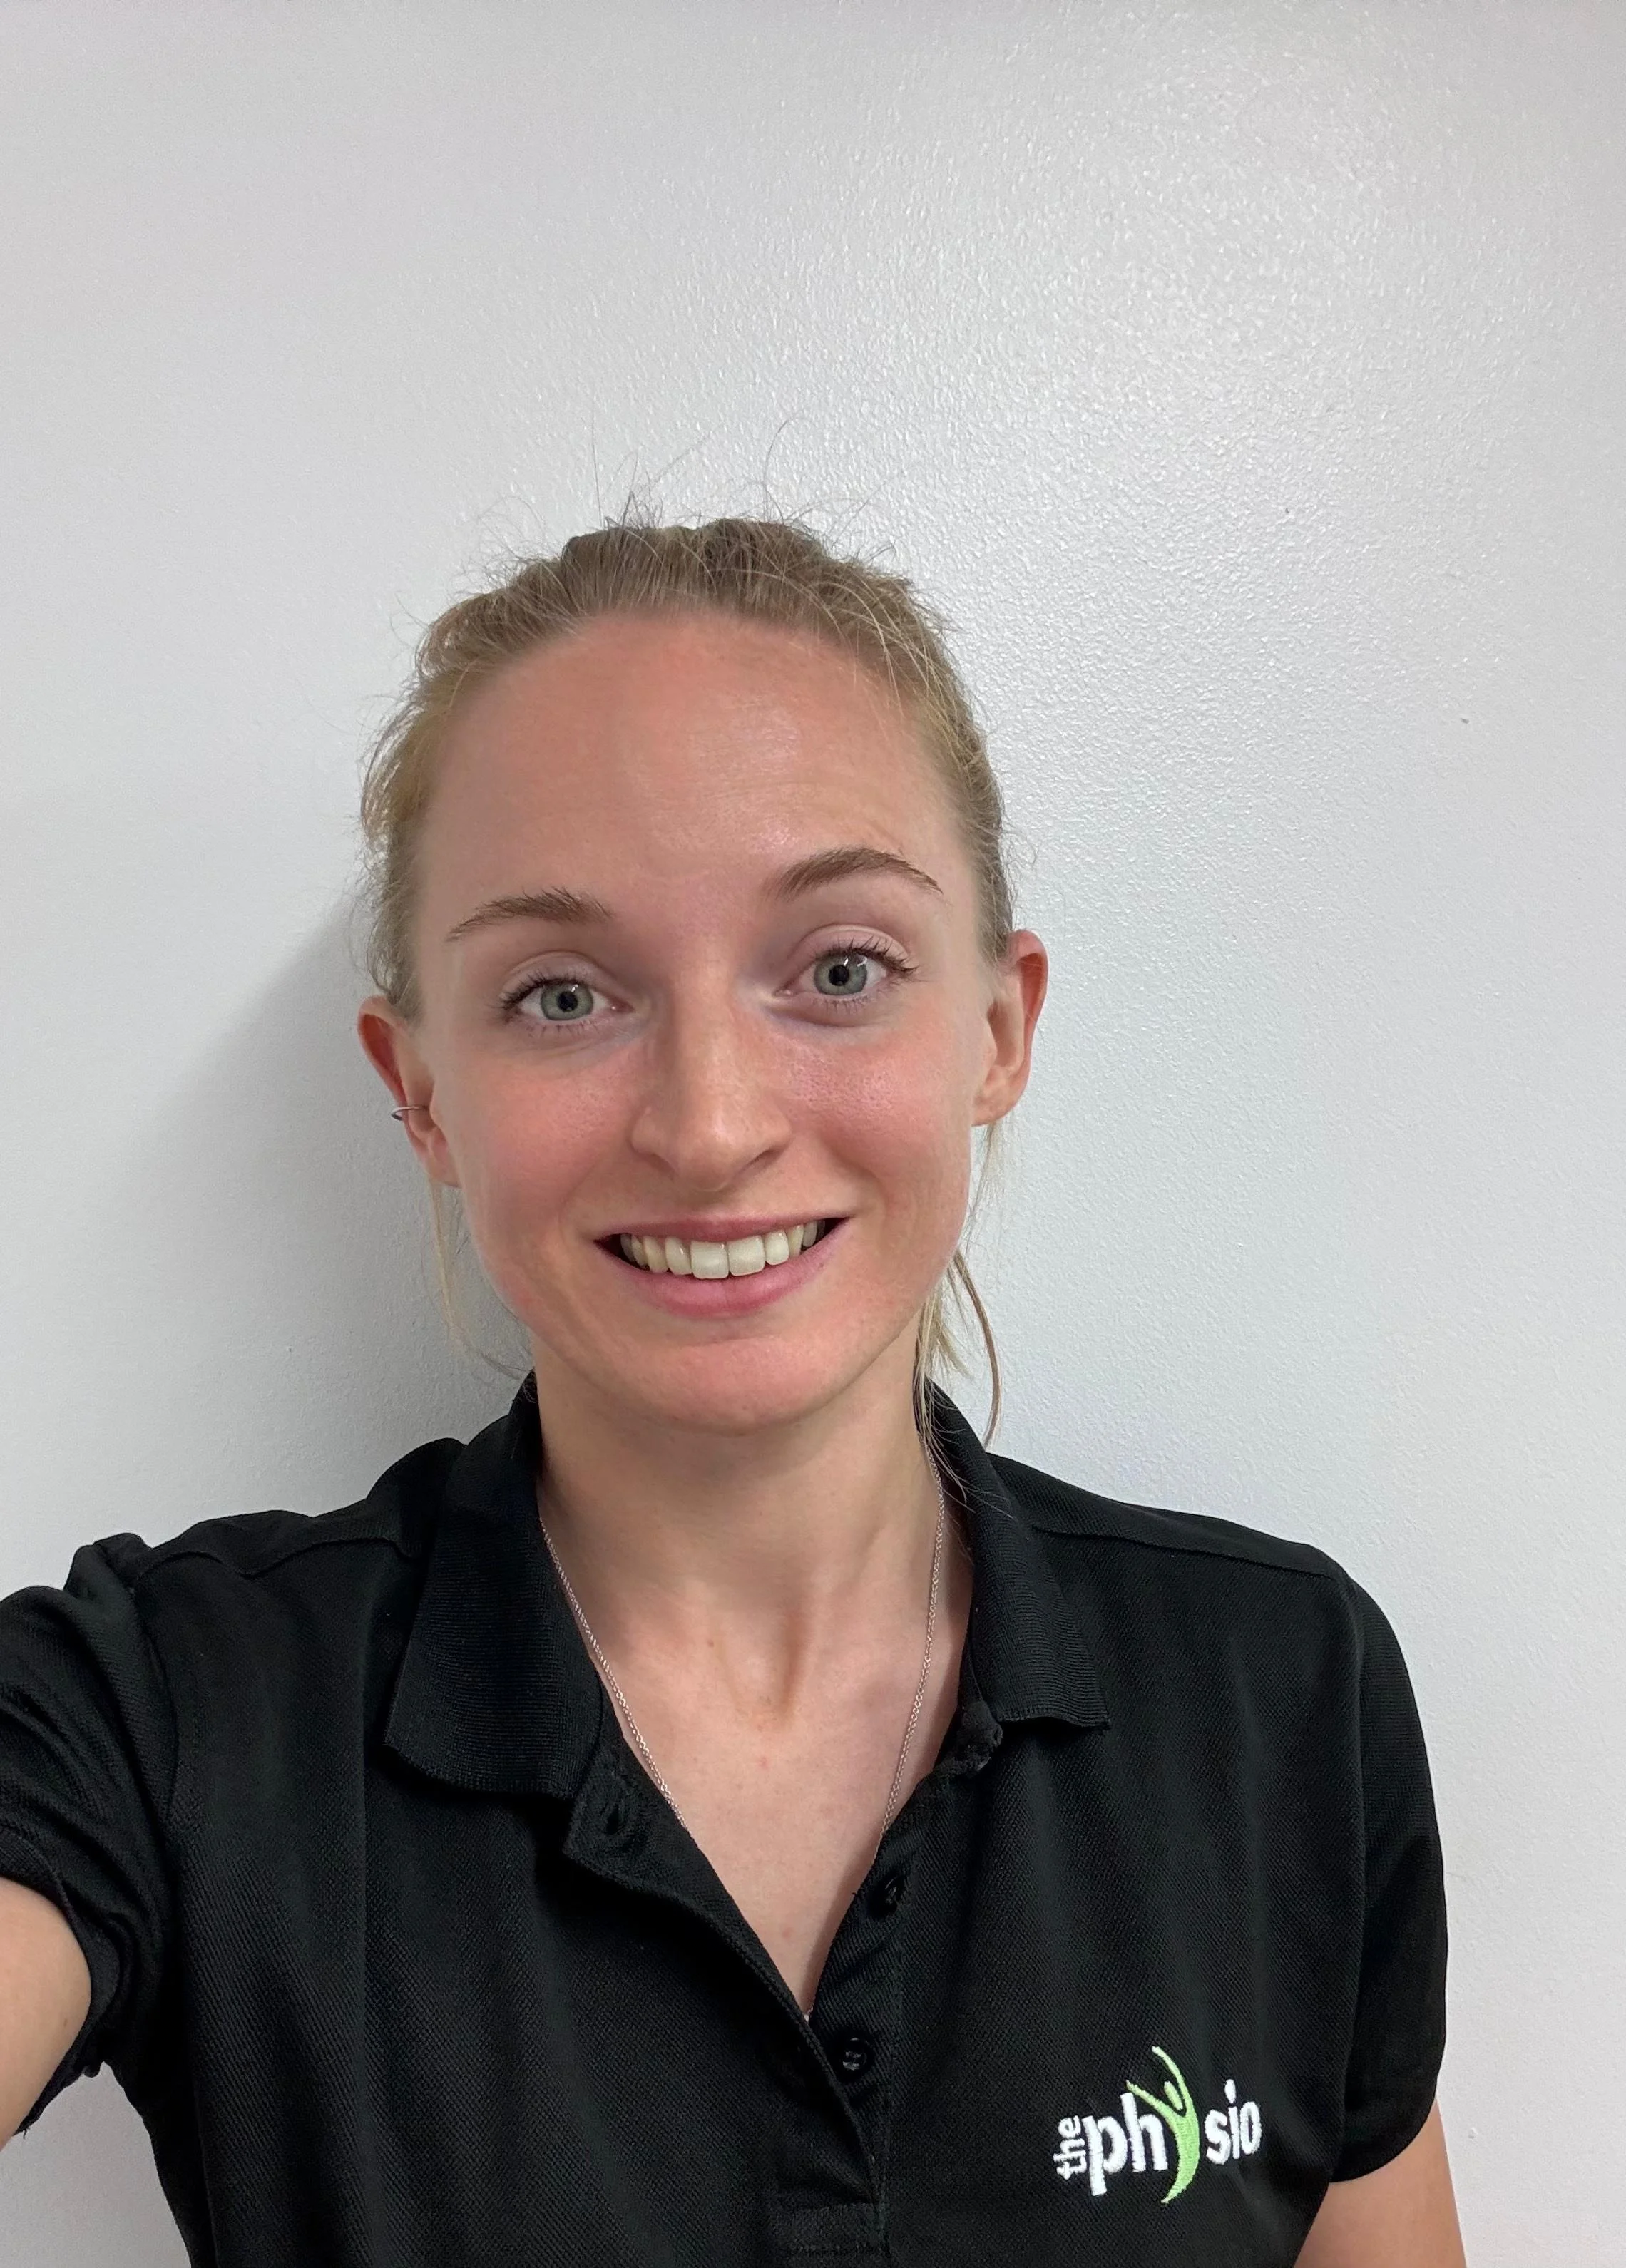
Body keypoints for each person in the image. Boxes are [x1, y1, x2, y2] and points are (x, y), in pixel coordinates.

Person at [0, 517, 1466, 2266]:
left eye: (838, 970)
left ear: (998, 1030)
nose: (709, 1123)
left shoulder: (1283, 1693)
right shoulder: (168, 1711)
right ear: (422, 1096)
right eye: (561, 994)